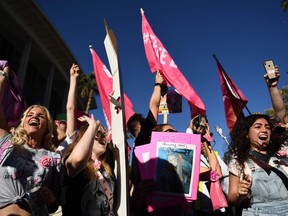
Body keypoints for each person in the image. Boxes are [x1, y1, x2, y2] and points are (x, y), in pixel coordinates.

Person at [0, 64, 61, 215]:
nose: (34, 117)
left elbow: (55, 203)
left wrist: (51, 198)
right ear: (23, 122)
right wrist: (3, 76)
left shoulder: (54, 158)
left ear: (47, 126)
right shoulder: (6, 141)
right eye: (30, 114)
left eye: (41, 116)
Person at [227, 113, 288, 215]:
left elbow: (280, 111)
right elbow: (232, 198)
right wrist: (239, 193)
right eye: (258, 127)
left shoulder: (281, 160)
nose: (264, 130)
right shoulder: (239, 162)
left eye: (267, 127)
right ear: (246, 134)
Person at [60, 114, 115, 216]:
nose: (103, 136)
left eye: (105, 134)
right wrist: (92, 127)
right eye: (98, 133)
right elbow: (77, 161)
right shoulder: (70, 158)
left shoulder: (107, 169)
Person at [186, 115, 230, 216]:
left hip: (219, 209)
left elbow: (221, 173)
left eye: (202, 139)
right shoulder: (191, 156)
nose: (200, 142)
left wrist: (206, 139)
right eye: (197, 138)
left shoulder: (215, 155)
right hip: (199, 210)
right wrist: (189, 131)